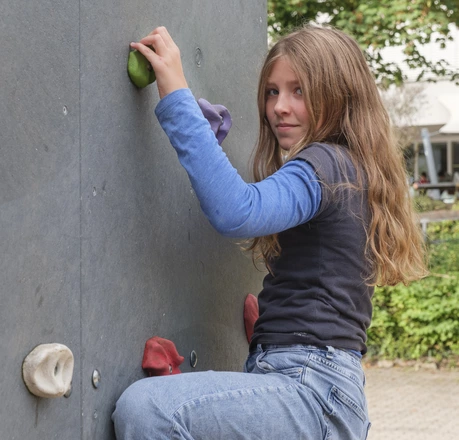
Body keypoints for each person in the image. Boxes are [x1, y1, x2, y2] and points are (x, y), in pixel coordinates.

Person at [113, 25, 427, 440]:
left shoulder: (326, 166)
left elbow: (238, 211)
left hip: (311, 389)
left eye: (299, 91)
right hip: (313, 387)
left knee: (148, 408)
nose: (280, 106)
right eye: (272, 92)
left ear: (339, 94)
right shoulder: (349, 170)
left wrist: (176, 93)